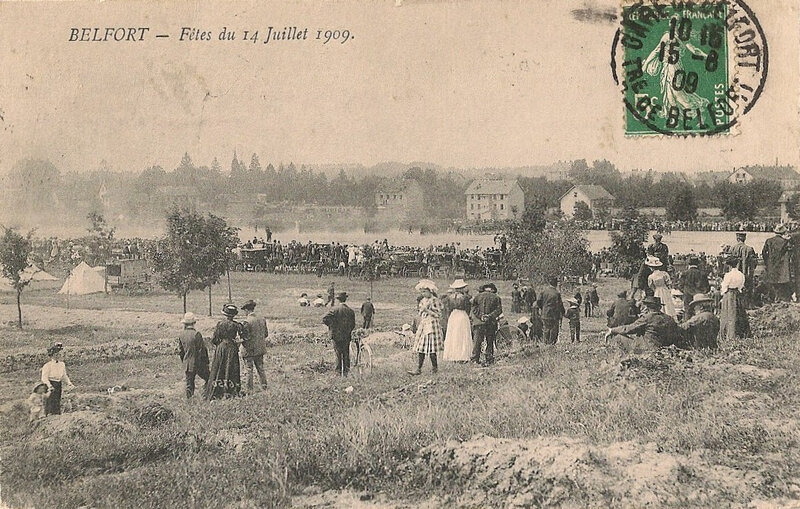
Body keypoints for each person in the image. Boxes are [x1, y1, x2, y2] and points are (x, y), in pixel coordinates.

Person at [605, 296, 680, 349]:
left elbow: (628, 329)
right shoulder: (669, 318)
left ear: (647, 308)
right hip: (666, 347)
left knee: (618, 336)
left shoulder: (646, 318)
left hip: (648, 348)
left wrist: (612, 330)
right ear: (659, 307)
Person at [205, 304, 243, 400]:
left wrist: (219, 344)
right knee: (231, 369)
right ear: (233, 315)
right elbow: (242, 337)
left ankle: (218, 390)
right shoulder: (236, 325)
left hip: (221, 348)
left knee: (219, 368)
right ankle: (231, 390)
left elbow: (214, 339)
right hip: (232, 348)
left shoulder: (220, 324)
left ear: (225, 315)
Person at [409, 280, 445, 375]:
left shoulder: (434, 300)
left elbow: (438, 314)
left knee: (431, 348)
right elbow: (420, 312)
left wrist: (428, 311)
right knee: (421, 347)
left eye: (425, 291)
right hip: (424, 324)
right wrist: (422, 311)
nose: (423, 294)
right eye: (422, 292)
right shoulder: (423, 300)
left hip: (432, 325)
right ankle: (418, 368)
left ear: (430, 291)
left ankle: (435, 368)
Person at [176, 312, 209, 398]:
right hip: (198, 362)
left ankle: (189, 399)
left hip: (187, 363)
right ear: (194, 323)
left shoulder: (181, 335)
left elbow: (181, 351)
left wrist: (184, 360)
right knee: (209, 378)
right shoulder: (196, 334)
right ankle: (206, 394)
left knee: (189, 383)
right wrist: (206, 362)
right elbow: (202, 350)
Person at [322, 292, 356, 376]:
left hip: (336, 335)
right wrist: (348, 330)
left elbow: (324, 318)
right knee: (346, 353)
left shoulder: (334, 309)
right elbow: (353, 325)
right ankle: (346, 372)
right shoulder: (350, 311)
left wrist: (331, 326)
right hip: (346, 335)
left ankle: (338, 372)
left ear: (338, 300)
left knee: (338, 353)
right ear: (345, 299)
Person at [470, 282, 503, 365]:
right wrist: (489, 316)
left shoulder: (477, 296)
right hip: (491, 323)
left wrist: (481, 316)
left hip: (479, 322)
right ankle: (489, 358)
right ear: (492, 289)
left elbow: (474, 309)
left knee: (477, 341)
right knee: (490, 340)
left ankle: (475, 359)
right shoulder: (496, 297)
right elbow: (498, 310)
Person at [240, 300, 269, 393]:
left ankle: (249, 389)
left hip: (250, 350)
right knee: (260, 368)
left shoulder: (247, 322)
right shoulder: (262, 319)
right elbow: (266, 334)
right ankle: (264, 387)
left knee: (249, 370)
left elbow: (245, 338)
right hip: (260, 348)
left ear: (247, 310)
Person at [720, 256, 750, 341]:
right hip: (737, 294)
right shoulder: (741, 275)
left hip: (729, 294)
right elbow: (741, 286)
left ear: (729, 265)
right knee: (739, 313)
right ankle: (740, 333)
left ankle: (729, 335)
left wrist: (723, 293)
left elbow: (724, 286)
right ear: (737, 264)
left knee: (729, 314)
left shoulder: (728, 275)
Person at [443, 279, 472, 362]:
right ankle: (462, 355)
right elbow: (467, 308)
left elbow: (448, 308)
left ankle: (452, 355)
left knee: (453, 334)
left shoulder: (449, 297)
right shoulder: (465, 297)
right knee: (462, 334)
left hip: (453, 315)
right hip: (462, 315)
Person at [41, 343, 74, 415]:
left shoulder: (62, 364)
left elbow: (64, 375)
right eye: (56, 353)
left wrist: (69, 383)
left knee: (57, 402)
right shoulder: (47, 365)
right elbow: (44, 378)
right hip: (50, 385)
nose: (58, 355)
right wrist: (49, 386)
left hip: (58, 384)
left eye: (59, 353)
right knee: (50, 403)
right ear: (52, 355)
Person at [762, 224, 792, 302]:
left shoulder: (769, 241)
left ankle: (772, 297)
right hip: (782, 265)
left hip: (771, 264)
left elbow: (764, 252)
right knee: (781, 281)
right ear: (783, 233)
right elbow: (790, 253)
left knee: (772, 281)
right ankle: (780, 298)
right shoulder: (785, 242)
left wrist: (767, 262)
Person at [729, 231, 758, 306]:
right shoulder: (749, 249)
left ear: (737, 238)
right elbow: (754, 263)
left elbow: (727, 262)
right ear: (745, 238)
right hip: (746, 274)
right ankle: (747, 305)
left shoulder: (732, 248)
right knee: (746, 290)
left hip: (734, 274)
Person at [537, 277, 565, 344]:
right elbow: (560, 304)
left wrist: (543, 308)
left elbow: (538, 301)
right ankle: (551, 344)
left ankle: (545, 343)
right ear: (556, 284)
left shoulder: (543, 291)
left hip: (545, 314)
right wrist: (563, 312)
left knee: (546, 329)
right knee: (554, 330)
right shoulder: (556, 293)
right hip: (554, 315)